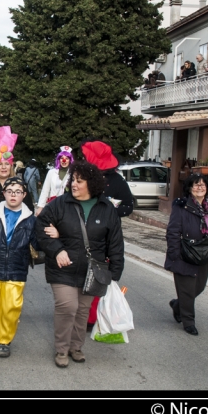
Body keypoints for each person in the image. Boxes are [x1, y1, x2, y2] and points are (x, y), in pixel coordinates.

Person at [36, 160, 125, 368]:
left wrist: (115, 271)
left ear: (91, 184)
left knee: (83, 310)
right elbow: (41, 227)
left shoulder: (106, 208)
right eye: (73, 180)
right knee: (68, 306)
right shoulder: (60, 204)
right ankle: (61, 349)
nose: (74, 184)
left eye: (79, 180)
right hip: (62, 267)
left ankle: (76, 347)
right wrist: (56, 249)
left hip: (92, 270)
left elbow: (115, 242)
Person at [0, 176, 39, 358]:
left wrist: (48, 235)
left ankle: (4, 340)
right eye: (10, 191)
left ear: (24, 195)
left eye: (18, 192)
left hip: (17, 270)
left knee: (10, 308)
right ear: (3, 194)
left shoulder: (31, 220)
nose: (13, 195)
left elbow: (38, 242)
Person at [79, 139, 134, 330]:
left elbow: (128, 206)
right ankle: (80, 314)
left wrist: (110, 211)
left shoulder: (118, 181)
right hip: (81, 233)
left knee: (99, 277)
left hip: (107, 235)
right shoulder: (81, 179)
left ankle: (92, 318)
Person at [164, 173, 208, 336]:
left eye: (203, 185)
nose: (200, 187)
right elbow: (173, 231)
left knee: (199, 287)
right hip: (185, 254)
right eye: (196, 185)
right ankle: (188, 321)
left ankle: (178, 305)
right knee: (187, 290)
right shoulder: (181, 207)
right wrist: (175, 254)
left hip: (204, 255)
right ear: (190, 188)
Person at [37, 146, 73, 215]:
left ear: (70, 160)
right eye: (62, 158)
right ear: (59, 160)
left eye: (67, 158)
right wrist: (40, 207)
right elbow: (45, 190)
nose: (64, 160)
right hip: (53, 205)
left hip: (68, 205)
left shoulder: (73, 173)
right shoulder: (51, 172)